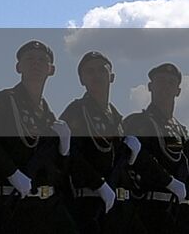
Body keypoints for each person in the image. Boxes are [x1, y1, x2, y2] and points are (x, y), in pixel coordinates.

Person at [0, 40, 77, 234]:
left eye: (42, 60)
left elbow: (57, 171)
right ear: (18, 67)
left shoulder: (49, 116)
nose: (35, 63)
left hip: (45, 209)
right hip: (11, 206)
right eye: (29, 59)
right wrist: (12, 172)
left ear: (51, 69)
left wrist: (64, 148)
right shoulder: (2, 102)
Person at [58, 51, 144, 233]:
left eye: (101, 70)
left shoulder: (117, 118)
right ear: (81, 79)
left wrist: (132, 157)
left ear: (111, 77)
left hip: (118, 206)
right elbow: (71, 155)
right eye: (89, 71)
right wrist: (99, 184)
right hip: (89, 204)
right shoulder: (76, 111)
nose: (96, 75)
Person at [122, 63, 188, 232]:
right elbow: (137, 161)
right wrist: (170, 182)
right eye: (160, 81)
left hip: (176, 211)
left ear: (178, 91)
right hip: (147, 209)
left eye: (171, 82)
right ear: (150, 86)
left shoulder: (180, 131)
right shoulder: (137, 122)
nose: (165, 87)